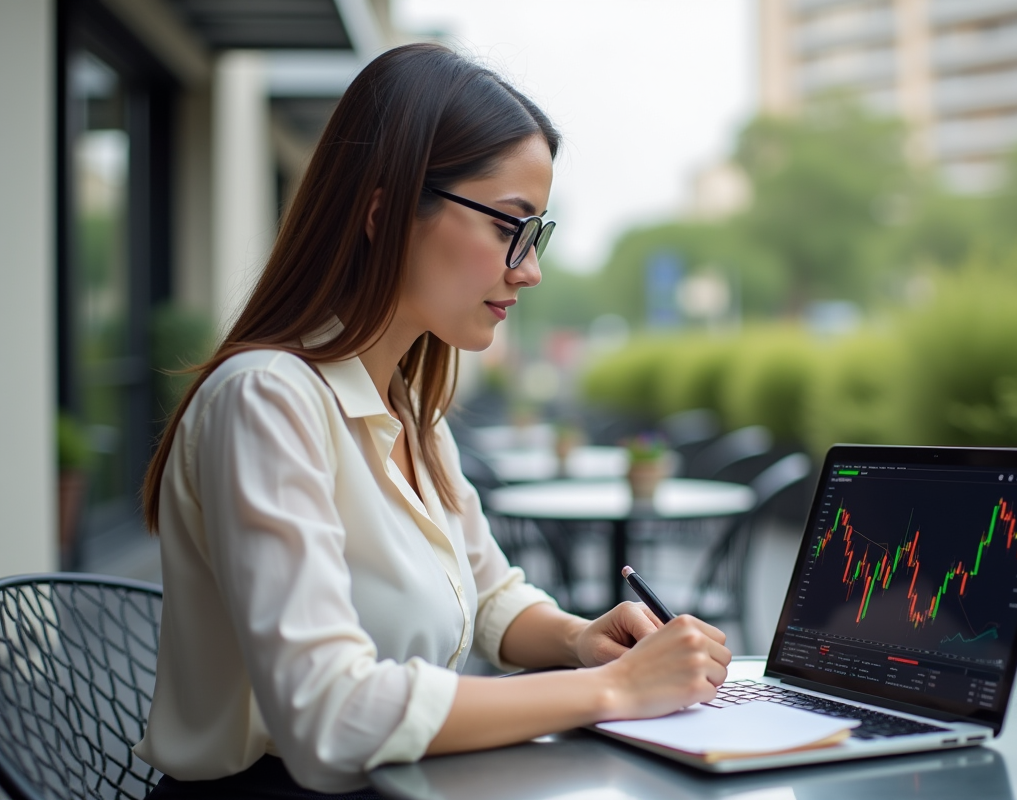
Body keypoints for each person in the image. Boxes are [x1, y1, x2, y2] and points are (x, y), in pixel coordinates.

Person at [136, 43, 731, 798]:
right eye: (509, 227)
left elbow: (488, 596)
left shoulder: (411, 413)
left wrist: (581, 639)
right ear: (383, 213)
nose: (529, 269)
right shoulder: (265, 401)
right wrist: (614, 689)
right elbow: (327, 711)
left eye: (536, 234)